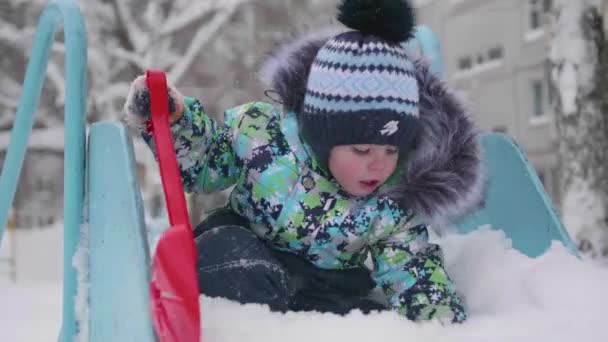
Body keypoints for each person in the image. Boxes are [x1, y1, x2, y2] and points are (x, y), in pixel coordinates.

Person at [124, 0, 484, 324]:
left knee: (368, 317)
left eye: (391, 151)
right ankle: (242, 326)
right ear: (321, 134)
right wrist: (177, 122)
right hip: (246, 256)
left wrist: (438, 324)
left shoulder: (393, 204)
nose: (379, 166)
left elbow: (413, 268)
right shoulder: (263, 137)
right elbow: (205, 165)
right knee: (228, 255)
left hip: (323, 289)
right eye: (361, 150)